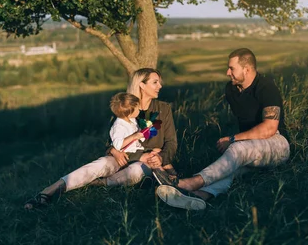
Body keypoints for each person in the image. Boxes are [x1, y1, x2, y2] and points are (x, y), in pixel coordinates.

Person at [156, 48, 290, 210]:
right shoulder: (231, 90)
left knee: (237, 149)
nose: (227, 72)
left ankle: (191, 183)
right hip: (252, 146)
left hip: (277, 143)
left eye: (232, 68)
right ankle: (201, 196)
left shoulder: (266, 87)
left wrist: (233, 139)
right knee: (230, 169)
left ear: (246, 69)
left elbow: (269, 128)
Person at [24, 68, 177, 209]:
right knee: (100, 164)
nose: (160, 86)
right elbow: (112, 141)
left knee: (136, 171)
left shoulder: (164, 109)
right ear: (142, 85)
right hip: (123, 157)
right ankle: (49, 191)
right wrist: (113, 150)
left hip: (149, 161)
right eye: (155, 82)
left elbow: (171, 142)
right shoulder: (126, 108)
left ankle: (96, 184)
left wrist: (161, 158)